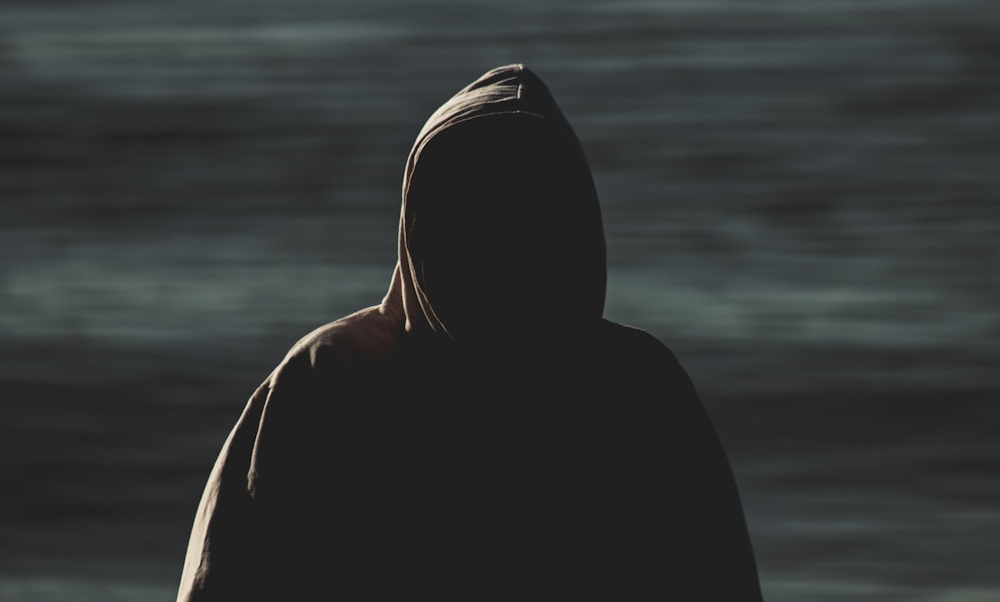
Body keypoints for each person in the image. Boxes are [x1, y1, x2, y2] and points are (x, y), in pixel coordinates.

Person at [176, 63, 764, 600]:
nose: (499, 250)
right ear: (420, 225)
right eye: (470, 215)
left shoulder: (639, 390)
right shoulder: (328, 383)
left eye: (527, 215)